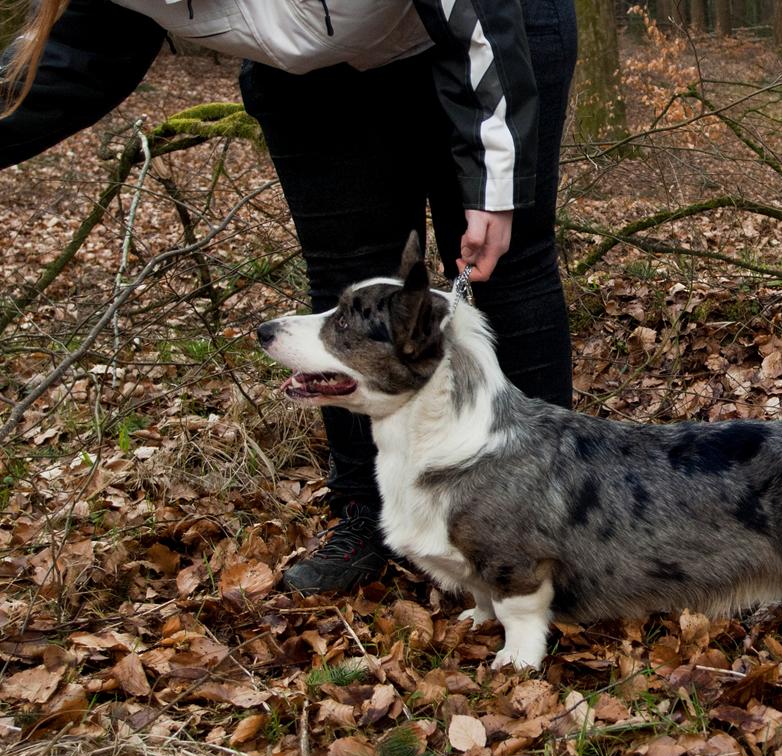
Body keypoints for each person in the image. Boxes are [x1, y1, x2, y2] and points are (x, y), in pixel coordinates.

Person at [0, 0, 577, 593]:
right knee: (348, 283)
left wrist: (494, 180)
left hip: (486, 35)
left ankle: (541, 523)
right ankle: (371, 512)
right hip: (316, 82)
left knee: (503, 268)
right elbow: (76, 57)